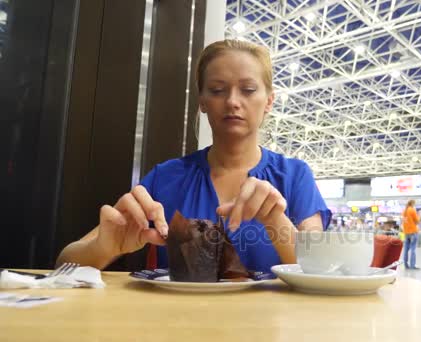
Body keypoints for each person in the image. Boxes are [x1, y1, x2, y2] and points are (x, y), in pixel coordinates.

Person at [56, 40, 332, 273]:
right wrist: (104, 248)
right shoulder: (166, 177)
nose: (233, 101)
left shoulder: (294, 175)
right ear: (202, 101)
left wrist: (275, 220)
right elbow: (64, 262)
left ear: (269, 101)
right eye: (217, 90)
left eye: (248, 90)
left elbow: (319, 269)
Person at [401, 199, 420, 269]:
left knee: (406, 249)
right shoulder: (412, 210)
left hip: (406, 233)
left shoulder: (404, 211)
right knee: (413, 249)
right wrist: (419, 215)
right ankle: (412, 265)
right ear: (413, 204)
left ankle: (406, 265)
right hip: (413, 232)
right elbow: (417, 222)